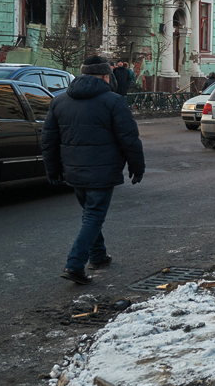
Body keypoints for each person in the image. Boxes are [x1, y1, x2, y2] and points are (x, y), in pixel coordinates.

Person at [42, 55, 146, 285]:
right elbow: (129, 139)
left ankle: (98, 256)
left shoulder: (59, 101)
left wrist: (53, 169)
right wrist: (137, 167)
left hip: (73, 171)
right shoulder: (114, 101)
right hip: (102, 171)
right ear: (106, 76)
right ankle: (75, 264)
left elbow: (48, 140)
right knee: (94, 215)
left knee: (90, 214)